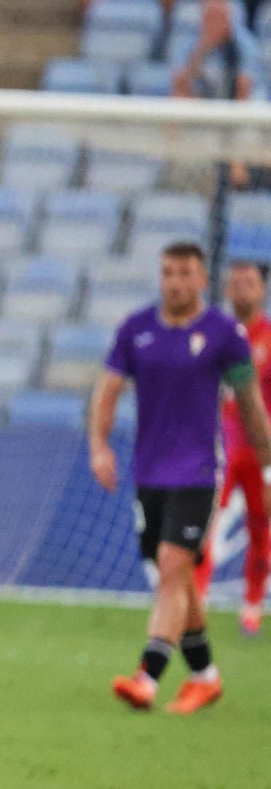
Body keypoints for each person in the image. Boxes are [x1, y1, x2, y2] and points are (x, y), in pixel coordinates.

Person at [92, 242, 271, 714]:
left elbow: (251, 406)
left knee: (173, 567)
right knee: (175, 575)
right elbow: (108, 390)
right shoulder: (137, 329)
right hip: (148, 472)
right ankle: (205, 677)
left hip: (198, 471)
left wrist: (269, 465)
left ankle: (147, 678)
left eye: (185, 273)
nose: (175, 281)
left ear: (201, 280)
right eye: (168, 272)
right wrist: (98, 445)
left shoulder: (223, 333)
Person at [195, 261, 271, 635]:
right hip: (221, 449)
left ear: (262, 290)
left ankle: (252, 607)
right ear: (226, 290)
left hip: (260, 452)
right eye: (235, 282)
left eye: (249, 283)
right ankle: (197, 603)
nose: (242, 289)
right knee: (206, 524)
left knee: (260, 528)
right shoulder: (214, 336)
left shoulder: (269, 338)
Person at [171, 0, 255, 101]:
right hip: (198, 104)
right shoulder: (187, 41)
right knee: (179, 95)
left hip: (232, 107)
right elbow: (180, 84)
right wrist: (204, 48)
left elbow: (244, 90)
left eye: (220, 18)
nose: (215, 24)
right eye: (211, 17)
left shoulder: (243, 45)